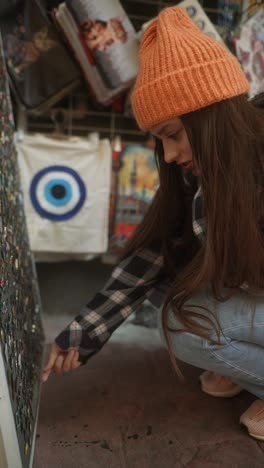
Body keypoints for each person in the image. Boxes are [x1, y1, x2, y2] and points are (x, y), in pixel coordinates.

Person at [42, 6, 264, 441]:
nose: (167, 155)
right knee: (175, 291)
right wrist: (83, 333)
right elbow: (151, 254)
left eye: (173, 134)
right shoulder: (200, 169)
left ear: (209, 116)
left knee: (187, 324)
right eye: (159, 139)